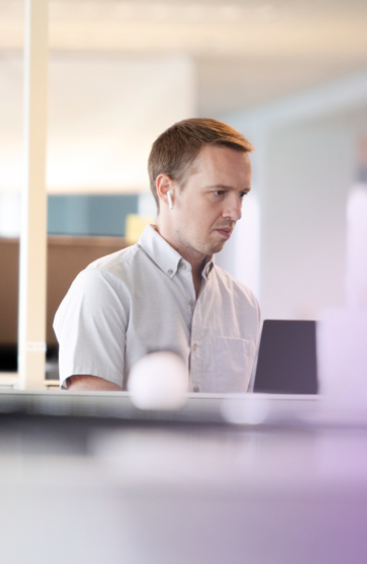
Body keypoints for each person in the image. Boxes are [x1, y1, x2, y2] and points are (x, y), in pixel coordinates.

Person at [53, 118, 260, 392]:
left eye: (242, 194)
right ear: (166, 190)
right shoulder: (104, 286)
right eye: (219, 192)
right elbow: (90, 422)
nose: (235, 212)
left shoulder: (244, 304)